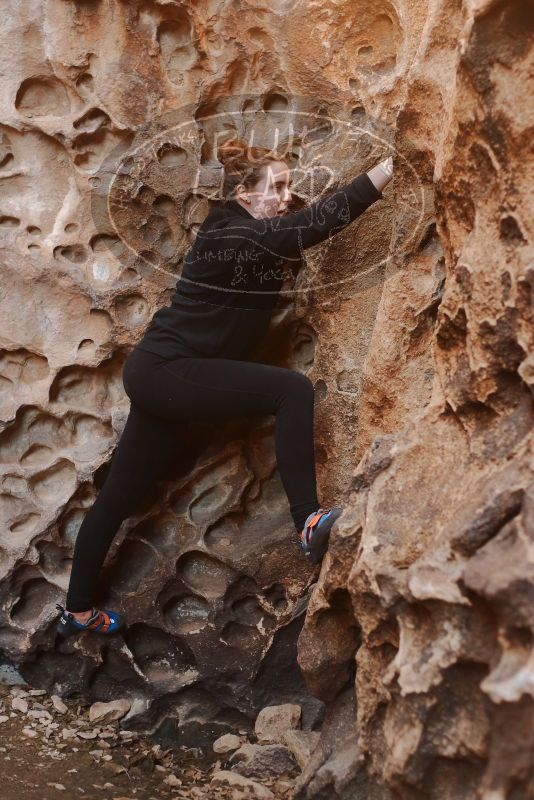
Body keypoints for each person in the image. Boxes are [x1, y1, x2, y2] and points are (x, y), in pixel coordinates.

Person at [55, 137, 393, 638]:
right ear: (243, 193)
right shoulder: (230, 236)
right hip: (166, 369)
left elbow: (292, 236)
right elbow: (316, 223)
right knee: (292, 391)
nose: (285, 196)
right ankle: (309, 521)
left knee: (119, 500)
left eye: (288, 187)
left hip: (168, 377)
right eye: (275, 187)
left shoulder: (246, 237)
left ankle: (77, 611)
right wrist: (388, 170)